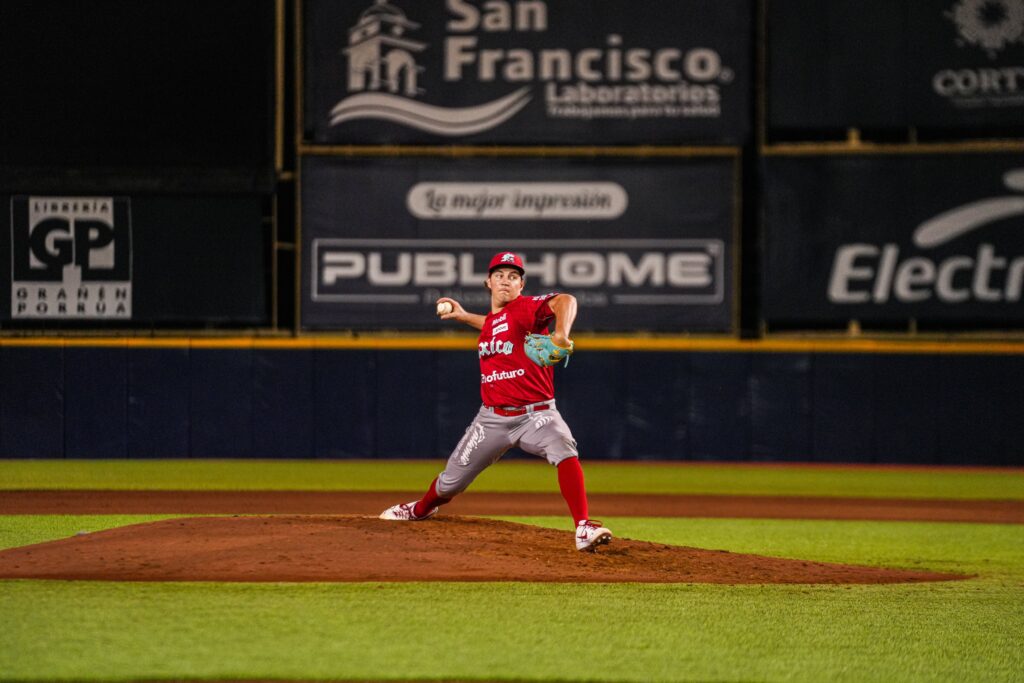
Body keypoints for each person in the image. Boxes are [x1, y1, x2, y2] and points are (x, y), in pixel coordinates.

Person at [379, 251, 613, 552]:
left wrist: (560, 333)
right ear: (488, 282)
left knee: (564, 447)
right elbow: (493, 323)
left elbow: (566, 300)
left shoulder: (526, 308)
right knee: (451, 482)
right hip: (491, 419)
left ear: (521, 285)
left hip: (536, 414)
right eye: (500, 275)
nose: (506, 281)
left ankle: (583, 526)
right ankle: (421, 509)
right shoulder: (495, 321)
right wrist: (463, 316)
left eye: (513, 276)